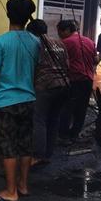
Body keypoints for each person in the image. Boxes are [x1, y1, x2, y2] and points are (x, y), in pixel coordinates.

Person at [0, 0, 39, 201]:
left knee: (8, 145)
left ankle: (10, 191)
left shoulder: (0, 42)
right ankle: (23, 185)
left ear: (8, 15)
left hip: (6, 102)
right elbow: (37, 70)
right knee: (25, 143)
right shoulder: (35, 41)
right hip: (28, 99)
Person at [26, 19, 70, 167]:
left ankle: (38, 155)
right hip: (63, 85)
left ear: (31, 33)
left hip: (46, 86)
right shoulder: (60, 43)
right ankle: (48, 154)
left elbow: (32, 66)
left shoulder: (36, 44)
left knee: (39, 120)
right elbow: (67, 64)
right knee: (54, 119)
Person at [57, 20, 98, 142]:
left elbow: (60, 62)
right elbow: (95, 60)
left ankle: (63, 135)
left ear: (67, 30)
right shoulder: (90, 42)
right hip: (88, 80)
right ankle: (74, 134)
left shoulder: (65, 43)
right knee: (81, 109)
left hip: (73, 80)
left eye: (60, 32)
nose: (59, 35)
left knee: (67, 108)